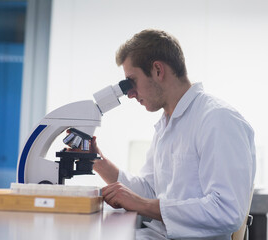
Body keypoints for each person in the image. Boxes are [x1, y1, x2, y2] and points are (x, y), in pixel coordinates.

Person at [91, 29, 256, 240]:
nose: (130, 94)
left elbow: (227, 211)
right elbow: (150, 193)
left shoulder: (218, 119)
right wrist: (97, 162)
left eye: (132, 82)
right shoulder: (167, 124)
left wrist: (142, 204)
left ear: (158, 70)